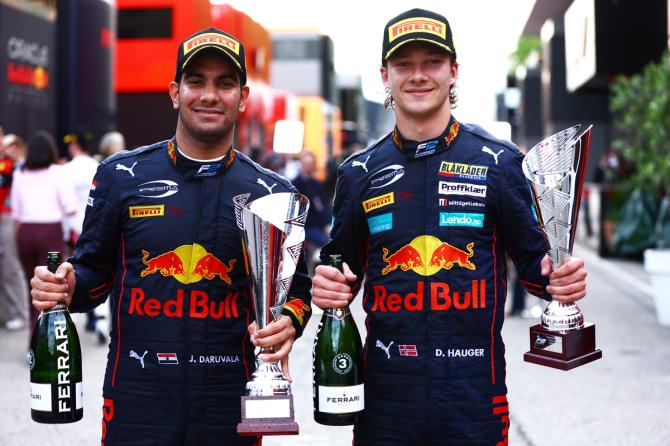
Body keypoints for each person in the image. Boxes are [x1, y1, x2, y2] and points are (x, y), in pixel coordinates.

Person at [311, 9, 588, 446]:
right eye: (404, 64)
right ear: (385, 74)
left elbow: (539, 268)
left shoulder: (498, 163)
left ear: (453, 71)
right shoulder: (359, 172)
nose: (418, 76)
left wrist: (562, 277)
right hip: (386, 404)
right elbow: (338, 271)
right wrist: (326, 285)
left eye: (432, 63)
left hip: (474, 400)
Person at [29, 28, 312, 446]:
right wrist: (68, 286)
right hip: (138, 397)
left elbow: (298, 291)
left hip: (228, 401)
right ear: (175, 92)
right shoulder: (121, 176)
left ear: (244, 97)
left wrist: (289, 321)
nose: (210, 95)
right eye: (196, 81)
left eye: (225, 83)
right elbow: (93, 274)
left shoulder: (273, 193)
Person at [12, 131, 77, 331]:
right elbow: (70, 207)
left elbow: (16, 213)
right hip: (51, 232)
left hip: (25, 233)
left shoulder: (19, 173)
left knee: (33, 287)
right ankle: (49, 341)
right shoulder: (58, 172)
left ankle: (33, 338)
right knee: (52, 288)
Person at [0, 134, 29, 330]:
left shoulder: (20, 167)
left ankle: (21, 312)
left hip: (9, 219)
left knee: (11, 269)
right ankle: (5, 314)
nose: (11, 149)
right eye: (9, 146)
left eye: (15, 146)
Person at [291, 150, 331, 251]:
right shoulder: (295, 184)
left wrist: (327, 224)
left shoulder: (317, 184)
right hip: (305, 227)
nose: (309, 167)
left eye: (311, 164)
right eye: (306, 164)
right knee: (327, 243)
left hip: (319, 226)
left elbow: (324, 205)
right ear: (302, 164)